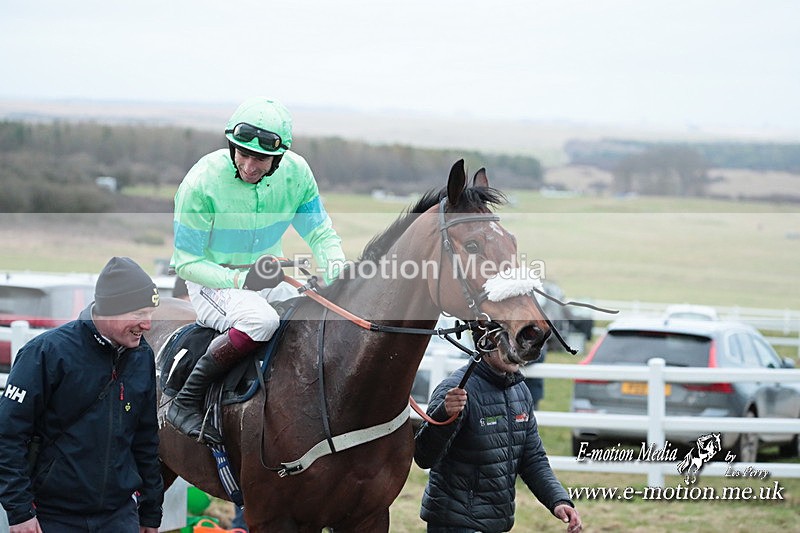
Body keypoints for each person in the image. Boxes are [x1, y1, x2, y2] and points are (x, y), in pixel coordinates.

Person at [167, 97, 346, 445]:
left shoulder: (298, 174)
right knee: (261, 321)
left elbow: (320, 232)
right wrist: (239, 280)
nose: (249, 166)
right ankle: (187, 398)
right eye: (242, 154)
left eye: (260, 158)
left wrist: (338, 274)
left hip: (268, 274)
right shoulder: (201, 182)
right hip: (211, 280)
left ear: (278, 159)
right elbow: (185, 262)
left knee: (317, 316)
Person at [0, 257, 163, 533]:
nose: (147, 324)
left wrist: (150, 512)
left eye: (150, 313)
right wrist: (19, 512)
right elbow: (7, 435)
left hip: (119, 516)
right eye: (139, 314)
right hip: (52, 517)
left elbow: (145, 440)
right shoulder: (46, 353)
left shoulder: (142, 356)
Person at [414, 347, 583, 533]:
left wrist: (558, 500)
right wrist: (444, 413)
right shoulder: (455, 390)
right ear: (485, 344)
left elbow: (533, 460)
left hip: (496, 524)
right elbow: (424, 457)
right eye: (509, 345)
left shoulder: (520, 391)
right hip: (455, 524)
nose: (518, 351)